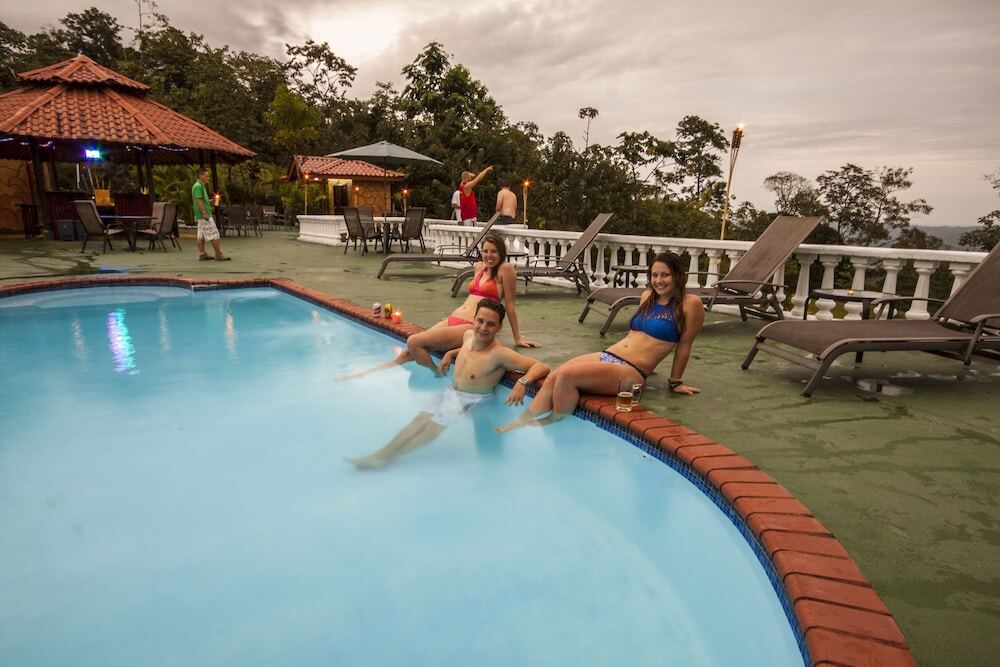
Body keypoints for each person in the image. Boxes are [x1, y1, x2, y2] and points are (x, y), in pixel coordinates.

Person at [497, 252, 704, 432]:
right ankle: (522, 421)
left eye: (665, 275)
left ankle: (555, 422)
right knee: (556, 374)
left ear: (678, 275)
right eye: (655, 275)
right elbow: (637, 336)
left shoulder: (690, 304)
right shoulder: (647, 297)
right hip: (609, 355)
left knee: (567, 377)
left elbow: (684, 345)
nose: (658, 280)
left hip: (631, 371)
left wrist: (675, 382)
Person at [346, 299, 549, 469]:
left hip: (469, 399)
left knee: (431, 429)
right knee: (417, 421)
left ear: (499, 327)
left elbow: (541, 366)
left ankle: (386, 457)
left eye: (490, 324)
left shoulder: (500, 354)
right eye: (480, 321)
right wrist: (451, 354)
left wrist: (522, 382)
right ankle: (382, 453)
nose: (483, 328)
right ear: (474, 320)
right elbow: (467, 349)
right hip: (450, 392)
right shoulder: (468, 335)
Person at [334, 233, 540, 382]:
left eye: (494, 251)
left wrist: (518, 338)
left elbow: (510, 305)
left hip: (471, 325)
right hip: (453, 319)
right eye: (485, 251)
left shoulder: (506, 270)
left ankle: (437, 374)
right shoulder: (479, 267)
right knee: (408, 352)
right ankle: (365, 374)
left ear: (501, 252)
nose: (489, 255)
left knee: (414, 342)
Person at [191, 168, 230, 261]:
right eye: (206, 176)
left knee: (201, 235)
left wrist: (212, 201)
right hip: (204, 215)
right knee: (214, 234)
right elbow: (198, 200)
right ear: (200, 176)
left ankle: (202, 254)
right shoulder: (198, 186)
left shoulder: (200, 186)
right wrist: (204, 213)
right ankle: (218, 254)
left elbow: (201, 200)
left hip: (200, 215)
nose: (208, 178)